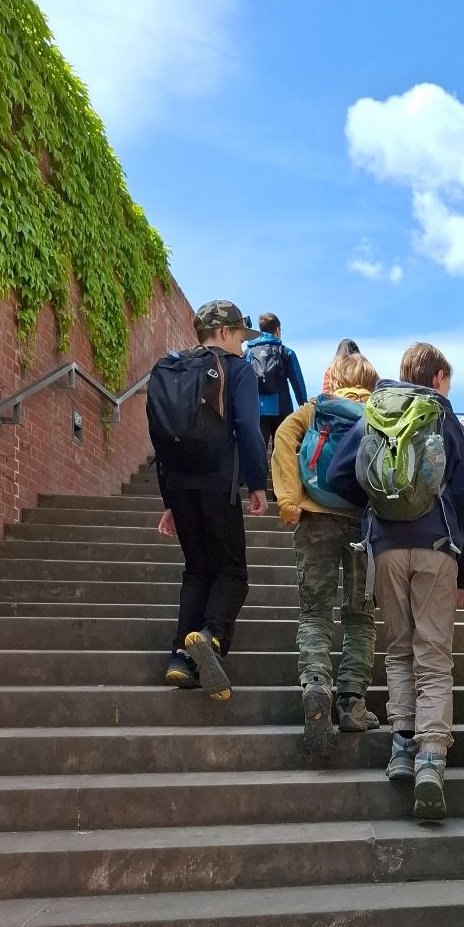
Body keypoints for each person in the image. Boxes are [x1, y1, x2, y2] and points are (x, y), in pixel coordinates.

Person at [324, 342, 464, 822]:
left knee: (398, 649)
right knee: (433, 653)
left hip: (385, 547)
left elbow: (337, 474)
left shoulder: (376, 413)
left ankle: (400, 747)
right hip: (437, 547)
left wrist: (378, 503)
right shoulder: (444, 418)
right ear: (437, 378)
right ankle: (431, 758)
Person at [147, 299, 269, 700]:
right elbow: (248, 427)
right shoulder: (238, 370)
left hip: (179, 484)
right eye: (240, 337)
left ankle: (180, 657)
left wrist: (169, 500)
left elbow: (161, 439)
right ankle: (211, 636)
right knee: (232, 571)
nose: (242, 345)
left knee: (197, 570)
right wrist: (257, 483)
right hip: (219, 484)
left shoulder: (173, 368)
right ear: (224, 332)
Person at [271, 350, 380, 759]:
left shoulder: (315, 408)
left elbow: (284, 438)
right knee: (360, 615)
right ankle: (352, 703)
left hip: (314, 517)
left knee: (315, 612)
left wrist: (288, 500)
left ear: (335, 380)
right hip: (364, 524)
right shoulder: (380, 413)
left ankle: (316, 684)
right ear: (371, 383)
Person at [244, 314, 308, 467]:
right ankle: (278, 483)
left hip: (257, 411)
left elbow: (243, 382)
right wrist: (304, 406)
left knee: (257, 454)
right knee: (281, 455)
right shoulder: (286, 352)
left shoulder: (248, 352)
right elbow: (297, 383)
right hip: (282, 410)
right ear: (277, 330)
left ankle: (256, 481)